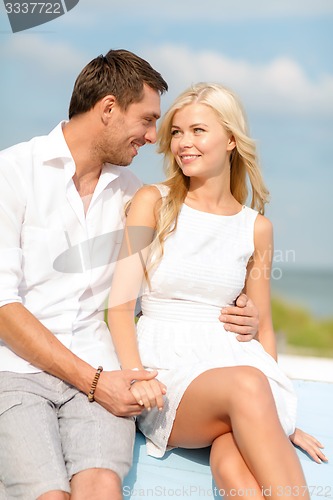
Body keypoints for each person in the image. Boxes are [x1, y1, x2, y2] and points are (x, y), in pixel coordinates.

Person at [0, 52, 259, 499]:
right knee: (47, 494)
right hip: (17, 372)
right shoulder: (12, 173)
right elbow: (4, 306)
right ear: (107, 109)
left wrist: (243, 312)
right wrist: (95, 382)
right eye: (147, 120)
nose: (153, 136)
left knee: (102, 487)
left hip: (104, 370)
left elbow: (183, 276)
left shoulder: (133, 193)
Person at [108, 82, 328, 499]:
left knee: (234, 470)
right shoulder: (151, 202)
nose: (183, 143)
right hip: (168, 370)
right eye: (176, 131)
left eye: (197, 131)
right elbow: (119, 308)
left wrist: (279, 417)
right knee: (247, 385)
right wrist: (136, 377)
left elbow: (262, 330)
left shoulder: (256, 228)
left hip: (238, 372)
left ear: (231, 139)